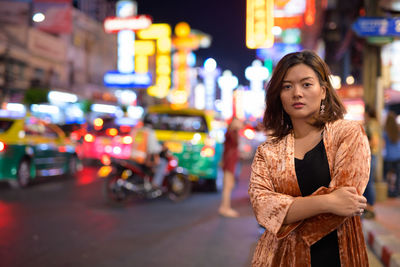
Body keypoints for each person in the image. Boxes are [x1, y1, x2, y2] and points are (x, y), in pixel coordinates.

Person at [248, 50, 370, 266]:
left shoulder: (348, 134)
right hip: (280, 259)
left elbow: (348, 200)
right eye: (287, 86)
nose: (297, 93)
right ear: (279, 95)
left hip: (337, 255)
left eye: (306, 84)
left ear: (323, 91)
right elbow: (262, 207)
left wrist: (284, 214)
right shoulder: (267, 151)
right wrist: (328, 201)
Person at [130, 116, 164, 190]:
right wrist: (161, 148)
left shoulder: (136, 131)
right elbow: (153, 149)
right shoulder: (150, 132)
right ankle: (156, 184)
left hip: (132, 157)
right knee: (163, 163)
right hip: (142, 159)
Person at [218, 117, 243, 218]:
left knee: (229, 185)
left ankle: (224, 207)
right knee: (228, 185)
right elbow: (236, 143)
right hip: (230, 161)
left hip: (230, 160)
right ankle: (225, 208)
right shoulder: (232, 132)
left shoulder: (230, 132)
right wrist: (237, 130)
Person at [363, 104, 381, 219]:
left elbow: (374, 141)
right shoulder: (376, 124)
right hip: (373, 155)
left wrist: (362, 145)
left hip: (370, 155)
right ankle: (369, 207)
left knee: (368, 182)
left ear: (367, 113)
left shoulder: (372, 124)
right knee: (369, 181)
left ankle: (370, 208)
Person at [383, 111, 400, 197]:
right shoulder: (398, 130)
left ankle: (388, 192)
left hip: (389, 157)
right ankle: (397, 192)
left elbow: (382, 144)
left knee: (386, 176)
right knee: (398, 175)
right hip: (398, 155)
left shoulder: (386, 132)